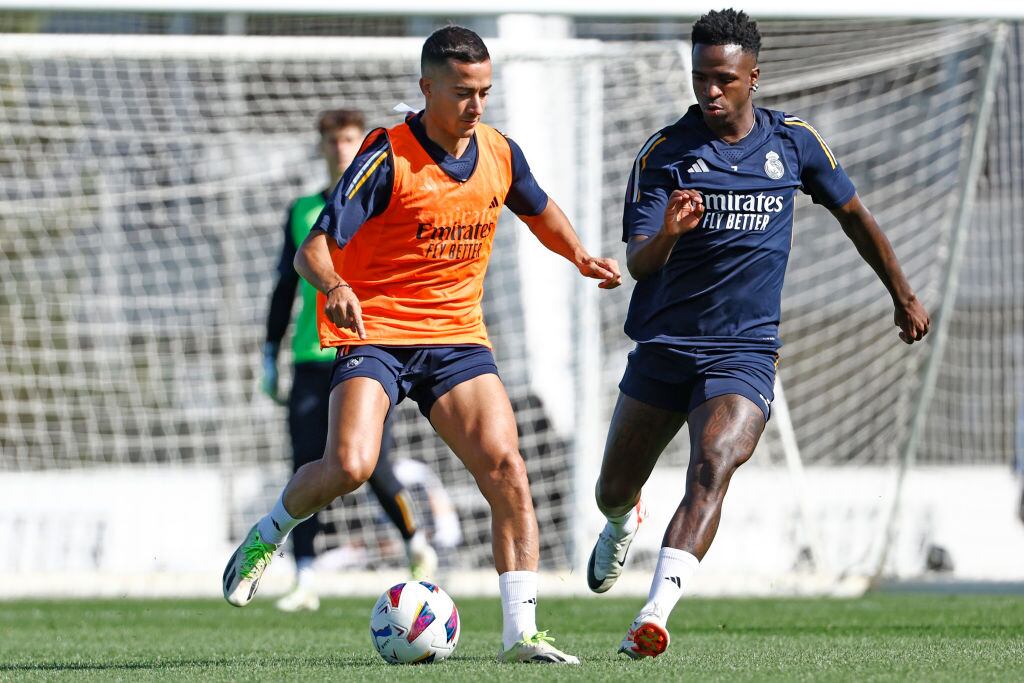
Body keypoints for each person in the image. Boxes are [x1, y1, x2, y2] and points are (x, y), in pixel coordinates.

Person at [225, 25, 621, 664]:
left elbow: (538, 207)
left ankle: (523, 633)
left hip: (457, 338)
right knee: (349, 467)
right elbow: (313, 249)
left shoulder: (500, 152)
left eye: (485, 92)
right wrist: (334, 286)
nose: (476, 106)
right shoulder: (387, 156)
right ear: (427, 88)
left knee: (507, 469)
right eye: (463, 92)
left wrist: (578, 254)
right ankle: (269, 534)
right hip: (376, 332)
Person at [586, 9, 931, 659]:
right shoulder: (665, 155)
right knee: (612, 486)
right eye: (700, 79)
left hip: (744, 349)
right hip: (665, 346)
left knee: (713, 464)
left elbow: (853, 212)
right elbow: (637, 262)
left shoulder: (793, 143)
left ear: (753, 76)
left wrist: (902, 293)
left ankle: (654, 612)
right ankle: (618, 518)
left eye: (723, 79)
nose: (709, 92)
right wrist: (669, 232)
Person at [261, 109, 439, 612]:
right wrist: (269, 354)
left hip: (369, 352)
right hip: (311, 357)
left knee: (371, 465)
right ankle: (303, 575)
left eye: (349, 140)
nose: (341, 149)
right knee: (304, 464)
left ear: (361, 145)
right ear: (321, 147)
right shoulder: (301, 210)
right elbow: (283, 287)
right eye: (332, 141)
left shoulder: (384, 203)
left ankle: (414, 542)